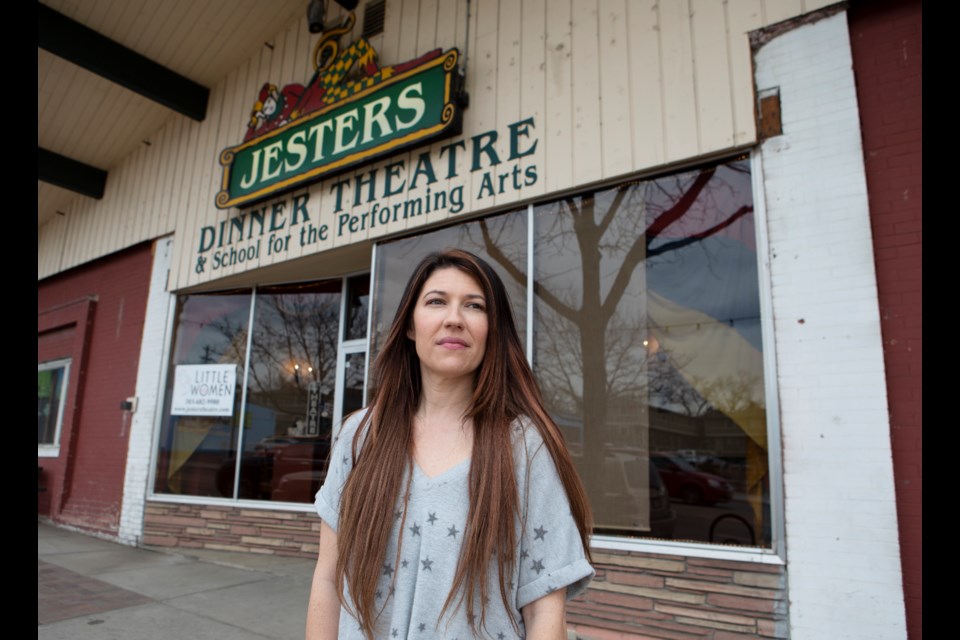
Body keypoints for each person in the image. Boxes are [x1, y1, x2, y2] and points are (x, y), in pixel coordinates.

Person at [306, 249, 593, 639]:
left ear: (493, 330)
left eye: (474, 306)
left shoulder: (523, 447)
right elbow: (327, 577)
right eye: (437, 301)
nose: (454, 319)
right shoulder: (360, 435)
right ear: (410, 325)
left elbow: (545, 609)